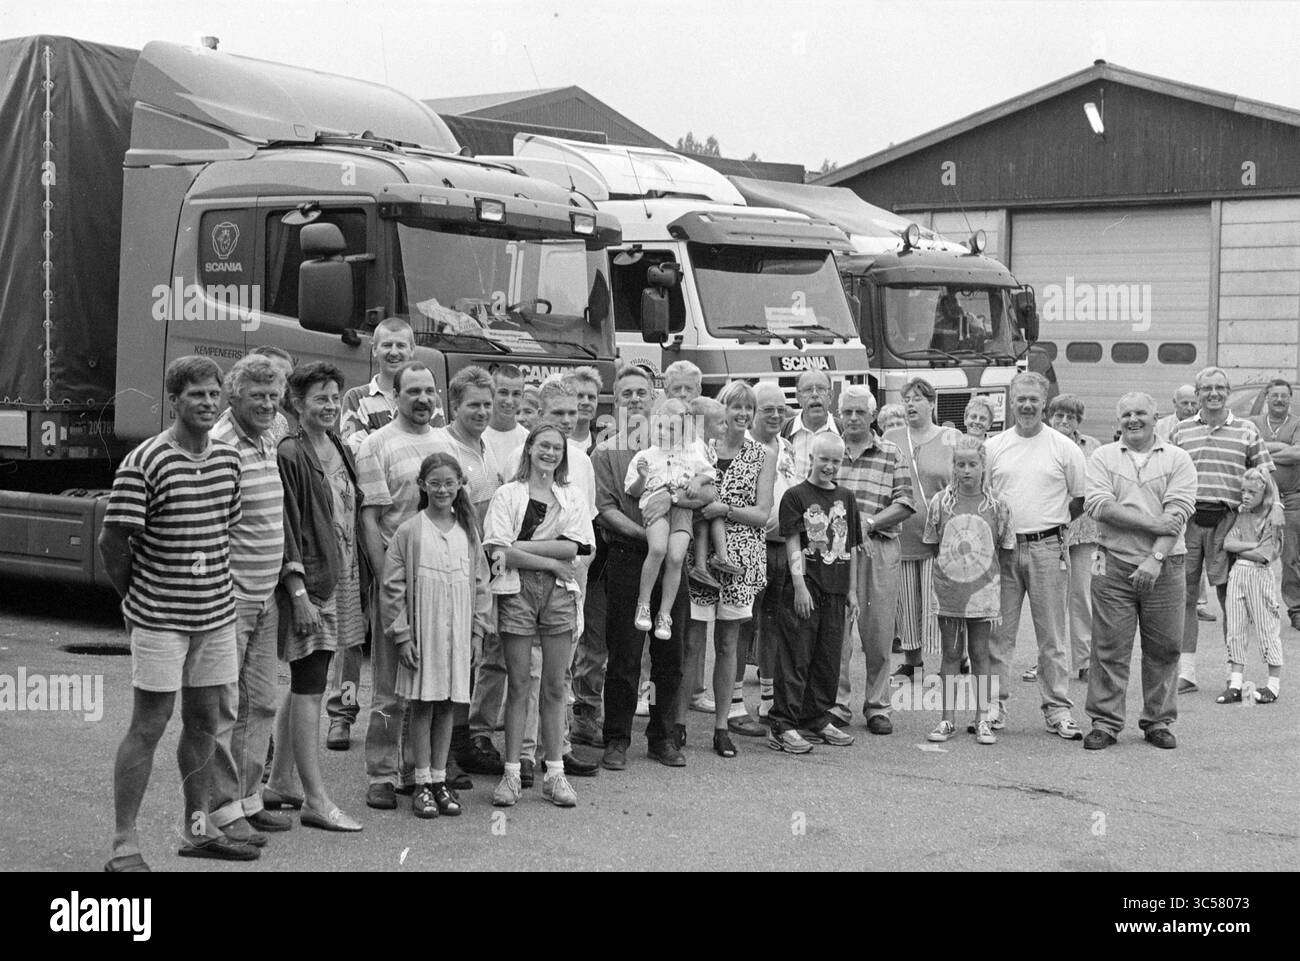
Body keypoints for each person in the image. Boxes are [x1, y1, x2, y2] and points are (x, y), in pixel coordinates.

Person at [100, 356, 257, 870]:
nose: (208, 403)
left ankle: (197, 828)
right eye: (197, 395)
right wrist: (136, 600)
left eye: (214, 394)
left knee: (204, 724)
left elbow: (222, 533)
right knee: (149, 724)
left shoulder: (228, 461)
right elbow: (112, 541)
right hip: (160, 621)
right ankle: (125, 844)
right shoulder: (144, 461)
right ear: (174, 400)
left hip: (215, 616)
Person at [265, 362, 365, 830]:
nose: (329, 406)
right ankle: (316, 800)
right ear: (297, 403)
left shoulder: (338, 446)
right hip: (311, 584)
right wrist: (298, 590)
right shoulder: (291, 451)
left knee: (307, 682)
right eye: (319, 398)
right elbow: (288, 527)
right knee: (310, 688)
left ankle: (281, 781)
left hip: (340, 580)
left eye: (334, 397)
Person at [484, 424, 594, 807]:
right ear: (529, 449)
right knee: (518, 684)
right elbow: (499, 554)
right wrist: (548, 560)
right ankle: (512, 774)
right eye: (543, 445)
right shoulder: (507, 494)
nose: (549, 453)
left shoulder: (571, 495)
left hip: (560, 595)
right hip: (516, 592)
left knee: (554, 686)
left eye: (557, 448)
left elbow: (576, 548)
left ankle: (555, 774)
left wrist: (522, 548)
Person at [356, 361, 448, 810]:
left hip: (439, 583)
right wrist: (384, 576)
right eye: (413, 391)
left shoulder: (443, 441)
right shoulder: (377, 445)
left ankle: (418, 769)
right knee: (390, 686)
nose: (423, 399)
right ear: (395, 396)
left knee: (428, 683)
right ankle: (381, 774)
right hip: (397, 580)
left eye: (429, 390)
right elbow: (370, 519)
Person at [208, 355, 291, 846]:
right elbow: (211, 526)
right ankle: (218, 813)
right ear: (232, 397)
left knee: (260, 703)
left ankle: (246, 801)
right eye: (256, 395)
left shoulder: (268, 434)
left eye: (273, 394)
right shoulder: (221, 446)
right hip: (231, 598)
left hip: (265, 596)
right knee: (221, 707)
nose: (267, 403)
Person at [1083, 391, 1197, 751]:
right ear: (1118, 421)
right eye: (1127, 414)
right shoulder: (1102, 456)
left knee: (1165, 648)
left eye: (1141, 413)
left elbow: (1178, 512)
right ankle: (1105, 722)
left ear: (1156, 417)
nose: (1134, 419)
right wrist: (1155, 524)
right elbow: (1099, 505)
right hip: (1113, 564)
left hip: (1166, 566)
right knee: (1108, 648)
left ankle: (1158, 721)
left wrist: (1156, 558)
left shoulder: (1179, 459)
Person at [383, 453, 493, 818]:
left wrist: (477, 632)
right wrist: (402, 636)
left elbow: (481, 584)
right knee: (422, 706)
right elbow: (392, 588)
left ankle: (440, 779)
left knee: (447, 704)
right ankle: (421, 782)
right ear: (422, 485)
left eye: (449, 483)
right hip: (423, 633)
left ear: (460, 484)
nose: (443, 489)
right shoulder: (410, 531)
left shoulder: (467, 529)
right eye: (435, 483)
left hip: (457, 634)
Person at [503, 379, 602, 783]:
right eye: (556, 413)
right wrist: (553, 556)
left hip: (568, 583)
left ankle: (556, 749)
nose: (565, 421)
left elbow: (585, 536)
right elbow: (509, 537)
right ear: (539, 413)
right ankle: (523, 755)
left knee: (560, 674)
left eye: (571, 412)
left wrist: (576, 572)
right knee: (527, 674)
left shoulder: (581, 462)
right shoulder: (519, 456)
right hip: (524, 584)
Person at [594, 365, 692, 769]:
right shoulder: (606, 452)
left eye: (641, 393)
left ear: (653, 399)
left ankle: (663, 736)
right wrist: (643, 533)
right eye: (625, 394)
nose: (634, 399)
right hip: (628, 557)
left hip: (670, 558)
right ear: (615, 402)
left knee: (670, 653)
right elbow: (605, 508)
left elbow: (702, 490)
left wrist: (680, 505)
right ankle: (617, 738)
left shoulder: (680, 446)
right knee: (625, 653)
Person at [985, 370, 1088, 739]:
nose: (1027, 405)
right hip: (1005, 551)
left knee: (1052, 637)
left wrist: (1052, 528)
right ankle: (993, 708)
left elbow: (1079, 499)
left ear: (1044, 403)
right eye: (1020, 399)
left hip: (1048, 548)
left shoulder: (1064, 447)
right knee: (999, 635)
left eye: (1033, 399)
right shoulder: (994, 447)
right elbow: (984, 499)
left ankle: (1057, 710)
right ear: (1011, 403)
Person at [678, 381, 773, 758]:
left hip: (740, 558)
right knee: (692, 642)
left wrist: (725, 511)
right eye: (736, 407)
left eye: (749, 409)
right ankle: (679, 724)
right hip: (698, 557)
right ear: (723, 410)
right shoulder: (702, 448)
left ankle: (721, 726)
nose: (743, 414)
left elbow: (763, 514)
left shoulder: (761, 453)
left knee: (729, 642)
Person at [1169, 366, 1275, 694]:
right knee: (1183, 596)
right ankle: (1187, 673)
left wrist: (1277, 511)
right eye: (1206, 389)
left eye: (1219, 388)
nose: (1213, 394)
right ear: (1197, 394)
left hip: (1229, 523)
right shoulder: (1180, 431)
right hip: (1187, 522)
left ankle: (1234, 673)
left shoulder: (1246, 430)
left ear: (1228, 392)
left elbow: (1266, 476)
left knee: (1231, 599)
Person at [424, 367, 509, 779]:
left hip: (482, 568)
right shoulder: (442, 445)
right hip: (448, 569)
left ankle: (460, 743)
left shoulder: (485, 445)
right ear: (454, 405)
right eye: (473, 404)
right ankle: (439, 756)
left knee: (469, 658)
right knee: (447, 660)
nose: (481, 411)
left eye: (487, 405)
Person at [768, 433, 861, 753]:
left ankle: (816, 717)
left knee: (827, 659)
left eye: (836, 460)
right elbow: (792, 541)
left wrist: (852, 590)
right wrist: (799, 585)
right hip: (806, 588)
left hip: (836, 590)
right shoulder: (795, 496)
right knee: (796, 657)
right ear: (812, 458)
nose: (830, 466)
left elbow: (851, 546)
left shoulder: (846, 498)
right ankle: (782, 723)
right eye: (824, 459)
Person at [921, 435, 1015, 744]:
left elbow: (1005, 547)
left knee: (980, 654)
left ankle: (982, 719)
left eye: (972, 464)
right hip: (949, 592)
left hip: (983, 592)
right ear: (953, 466)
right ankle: (947, 719)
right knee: (950, 654)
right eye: (959, 464)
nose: (966, 471)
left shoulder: (997, 504)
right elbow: (934, 545)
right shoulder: (941, 502)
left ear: (983, 466)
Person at [832, 386, 914, 735]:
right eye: (847, 413)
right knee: (837, 633)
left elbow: (905, 503)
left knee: (878, 632)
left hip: (878, 546)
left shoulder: (891, 452)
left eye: (859, 413)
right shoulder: (830, 450)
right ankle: (836, 704)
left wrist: (869, 523)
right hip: (836, 551)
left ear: (872, 415)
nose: (852, 419)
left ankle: (878, 706)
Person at [626, 397, 720, 640]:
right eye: (660, 426)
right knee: (657, 548)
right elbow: (633, 491)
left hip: (681, 509)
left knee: (676, 557)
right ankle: (643, 603)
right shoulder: (645, 456)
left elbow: (709, 475)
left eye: (671, 428)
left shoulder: (692, 453)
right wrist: (643, 477)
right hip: (655, 505)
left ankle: (664, 614)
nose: (664, 432)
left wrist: (696, 481)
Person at [884, 378, 959, 678]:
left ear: (932, 403)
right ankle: (912, 661)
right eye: (907, 399)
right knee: (906, 602)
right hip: (901, 534)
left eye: (917, 398)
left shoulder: (951, 437)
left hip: (939, 536)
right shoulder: (891, 436)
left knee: (937, 603)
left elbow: (960, 481)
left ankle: (948, 664)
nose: (911, 404)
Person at [740, 382, 798, 727]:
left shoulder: (787, 447)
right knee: (745, 623)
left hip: (782, 545)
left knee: (774, 624)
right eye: (767, 409)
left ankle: (767, 697)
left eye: (781, 409)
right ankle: (733, 702)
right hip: (751, 543)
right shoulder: (742, 447)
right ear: (753, 413)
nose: (776, 415)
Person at [1046, 394, 1102, 682]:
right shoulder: (1040, 443)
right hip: (1049, 530)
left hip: (1084, 530)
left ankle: (1085, 660)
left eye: (1071, 417)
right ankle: (1046, 660)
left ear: (1079, 421)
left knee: (1082, 596)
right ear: (1050, 416)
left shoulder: (1092, 446)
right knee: (1050, 600)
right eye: (1059, 416)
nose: (1064, 421)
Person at [1218, 468, 1284, 704]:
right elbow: (1228, 543)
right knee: (1235, 626)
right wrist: (1251, 544)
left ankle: (1273, 684)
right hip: (1238, 573)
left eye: (1252, 492)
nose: (1245, 496)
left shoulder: (1272, 518)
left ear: (1263, 493)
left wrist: (1244, 547)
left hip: (1259, 574)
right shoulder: (1243, 515)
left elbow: (1264, 554)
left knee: (1267, 626)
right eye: (1243, 491)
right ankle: (1235, 682)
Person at [1250, 379, 1300, 630]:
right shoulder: (1253, 424)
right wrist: (1283, 447)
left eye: (1284, 395)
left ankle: (1297, 608)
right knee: (1252, 553)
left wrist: (1263, 454)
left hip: (1291, 499)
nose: (1279, 399)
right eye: (1274, 395)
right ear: (1266, 398)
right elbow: (1246, 452)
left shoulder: (1298, 424)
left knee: (1291, 557)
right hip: (1255, 500)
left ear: (1290, 399)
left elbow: (1298, 453)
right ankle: (1251, 605)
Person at [784, 369, 839, 481]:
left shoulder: (842, 432)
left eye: (821, 389)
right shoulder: (783, 432)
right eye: (808, 390)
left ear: (831, 396)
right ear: (798, 397)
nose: (814, 394)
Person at [483, 364, 529, 468]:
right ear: (491, 393)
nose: (509, 401)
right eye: (503, 393)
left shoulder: (528, 440)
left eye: (516, 394)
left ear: (523, 396)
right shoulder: (476, 435)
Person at [564, 366, 603, 454]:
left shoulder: (606, 443)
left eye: (591, 397)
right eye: (580, 396)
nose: (586, 402)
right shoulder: (552, 441)